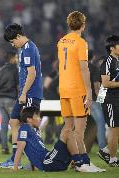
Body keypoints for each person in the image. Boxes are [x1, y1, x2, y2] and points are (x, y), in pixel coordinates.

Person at [57, 11, 103, 171]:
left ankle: (77, 160)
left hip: (63, 89)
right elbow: (84, 69)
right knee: (79, 130)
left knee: (68, 128)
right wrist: (89, 92)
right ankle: (84, 163)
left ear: (69, 24)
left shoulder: (61, 41)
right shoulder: (81, 42)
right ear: (83, 25)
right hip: (77, 89)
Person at [0, 23, 43, 169]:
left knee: (32, 125)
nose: (13, 44)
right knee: (13, 122)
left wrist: (23, 93)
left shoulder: (29, 49)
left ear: (18, 36)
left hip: (30, 93)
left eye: (13, 41)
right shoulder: (24, 49)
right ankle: (14, 158)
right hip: (24, 93)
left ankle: (37, 159)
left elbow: (32, 73)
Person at [13, 107, 105, 172]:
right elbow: (20, 148)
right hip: (47, 163)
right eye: (37, 116)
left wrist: (33, 167)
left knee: (69, 133)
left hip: (52, 162)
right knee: (67, 132)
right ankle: (80, 163)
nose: (40, 119)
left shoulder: (34, 130)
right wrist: (15, 168)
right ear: (29, 119)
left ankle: (81, 162)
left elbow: (33, 151)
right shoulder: (24, 128)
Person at [98, 35, 119, 166]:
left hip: (116, 98)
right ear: (112, 48)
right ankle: (112, 159)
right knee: (114, 129)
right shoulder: (107, 62)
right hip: (110, 99)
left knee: (116, 129)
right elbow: (105, 83)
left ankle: (105, 151)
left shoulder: (117, 61)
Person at [0, 50, 18, 154]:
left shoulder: (0, 70)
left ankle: (4, 147)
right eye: (16, 57)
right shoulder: (14, 69)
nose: (17, 59)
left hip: (1, 99)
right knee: (15, 123)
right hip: (11, 98)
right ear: (12, 58)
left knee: (4, 124)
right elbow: (17, 85)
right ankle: (17, 147)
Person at [87, 50, 107, 151]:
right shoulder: (95, 69)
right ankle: (103, 147)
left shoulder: (77, 68)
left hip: (78, 99)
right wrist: (101, 100)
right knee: (101, 122)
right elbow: (97, 87)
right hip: (93, 100)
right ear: (93, 57)